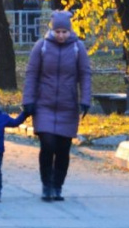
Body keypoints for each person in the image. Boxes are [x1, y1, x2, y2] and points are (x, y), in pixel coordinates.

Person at [22, 10, 91, 202]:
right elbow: (32, 74)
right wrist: (28, 100)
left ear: (69, 31)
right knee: (48, 144)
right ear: (52, 30)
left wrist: (85, 99)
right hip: (44, 104)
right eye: (58, 31)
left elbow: (85, 74)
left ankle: (57, 186)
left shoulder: (78, 48)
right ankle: (46, 185)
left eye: (64, 32)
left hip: (68, 107)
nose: (61, 35)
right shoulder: (41, 46)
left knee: (62, 148)